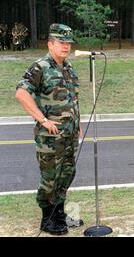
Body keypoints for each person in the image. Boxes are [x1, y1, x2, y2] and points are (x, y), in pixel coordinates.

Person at [15, 23, 84, 235]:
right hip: (50, 137)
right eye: (61, 43)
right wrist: (43, 120)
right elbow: (21, 93)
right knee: (51, 177)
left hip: (69, 134)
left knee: (67, 173)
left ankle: (59, 213)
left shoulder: (68, 68)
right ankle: (47, 219)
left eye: (68, 43)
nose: (66, 47)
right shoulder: (40, 66)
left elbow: (73, 100)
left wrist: (77, 124)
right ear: (50, 44)